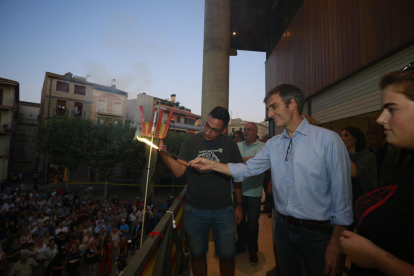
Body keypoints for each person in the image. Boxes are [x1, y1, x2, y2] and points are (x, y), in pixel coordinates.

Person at [190, 85, 353, 276]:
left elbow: (342, 195)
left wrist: (336, 242)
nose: (269, 114)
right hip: (283, 230)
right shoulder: (274, 144)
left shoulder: (329, 140)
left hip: (318, 234)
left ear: (292, 104)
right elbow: (247, 170)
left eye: (274, 107)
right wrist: (211, 165)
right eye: (268, 108)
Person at [340, 67, 414, 275]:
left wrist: (376, 257)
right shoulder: (406, 165)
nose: (381, 119)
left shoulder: (370, 157)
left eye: (391, 109)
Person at [159, 106, 244, 276]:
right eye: (207, 125)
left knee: (227, 256)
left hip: (224, 210)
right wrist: (162, 152)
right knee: (197, 255)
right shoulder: (191, 142)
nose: (208, 132)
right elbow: (178, 171)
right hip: (195, 209)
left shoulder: (230, 145)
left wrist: (239, 206)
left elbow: (237, 177)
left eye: (214, 130)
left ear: (224, 130)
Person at [234, 122, 265, 266]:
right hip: (238, 191)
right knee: (239, 220)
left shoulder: (262, 147)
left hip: (254, 192)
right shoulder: (238, 146)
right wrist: (248, 161)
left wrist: (240, 161)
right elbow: (232, 162)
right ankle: (241, 246)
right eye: (245, 130)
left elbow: (259, 162)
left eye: (249, 130)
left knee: (253, 224)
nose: (246, 132)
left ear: (256, 132)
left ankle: (252, 250)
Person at [340, 126, 377, 214]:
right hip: (343, 200)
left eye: (346, 135)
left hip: (360, 200)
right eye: (341, 136)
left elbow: (354, 172)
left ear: (355, 138)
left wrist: (340, 150)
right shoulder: (340, 156)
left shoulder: (368, 156)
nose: (342, 138)